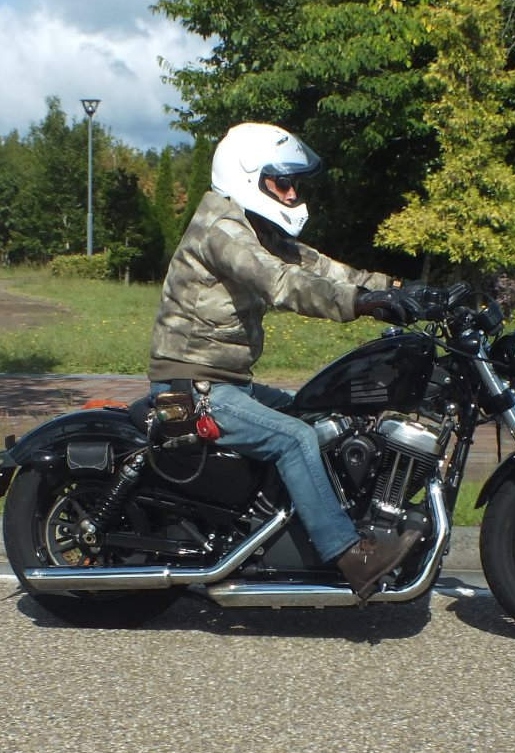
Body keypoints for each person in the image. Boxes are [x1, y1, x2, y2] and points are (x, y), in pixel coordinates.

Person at [148, 123, 423, 598]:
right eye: (282, 182)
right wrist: (361, 304)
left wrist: (400, 289)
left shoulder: (258, 230)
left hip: (227, 380)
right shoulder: (222, 229)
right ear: (247, 176)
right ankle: (352, 559)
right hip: (193, 384)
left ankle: (289, 526)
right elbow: (280, 282)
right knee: (295, 438)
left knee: (317, 413)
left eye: (294, 183)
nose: (293, 193)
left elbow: (322, 268)